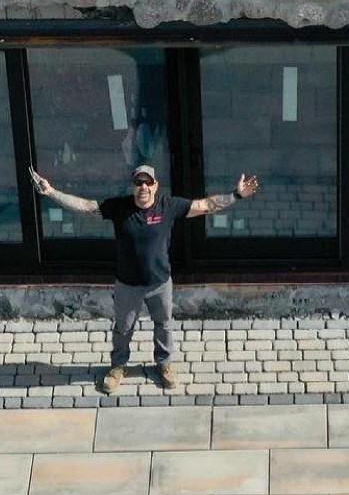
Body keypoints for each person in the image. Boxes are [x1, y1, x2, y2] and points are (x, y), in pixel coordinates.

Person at [29, 162, 259, 392]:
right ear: (133, 186)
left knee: (164, 326)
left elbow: (206, 205)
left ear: (155, 185)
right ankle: (118, 366)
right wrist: (51, 192)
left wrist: (236, 194)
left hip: (160, 283)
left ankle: (164, 363)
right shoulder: (119, 208)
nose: (143, 187)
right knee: (123, 328)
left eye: (148, 182)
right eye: (138, 182)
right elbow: (85, 206)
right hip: (127, 285)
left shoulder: (168, 205)